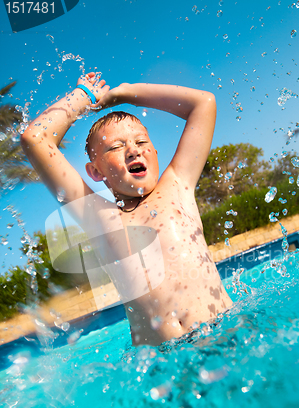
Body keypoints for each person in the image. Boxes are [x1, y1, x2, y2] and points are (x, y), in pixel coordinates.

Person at [21, 72, 232, 346]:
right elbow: (34, 139)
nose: (133, 150)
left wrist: (122, 93)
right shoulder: (97, 215)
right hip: (162, 360)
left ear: (155, 153)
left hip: (224, 330)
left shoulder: (178, 184)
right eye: (117, 147)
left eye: (141, 142)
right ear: (95, 171)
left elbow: (203, 103)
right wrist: (83, 95)